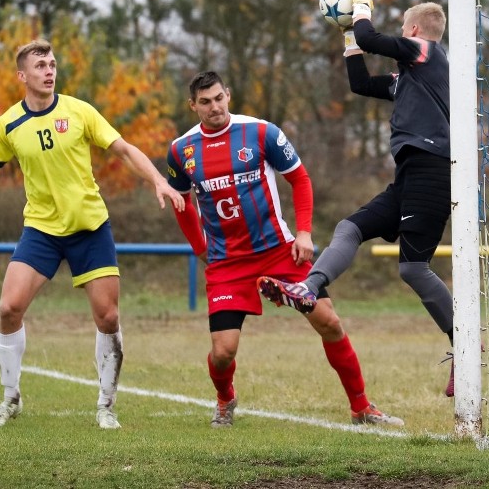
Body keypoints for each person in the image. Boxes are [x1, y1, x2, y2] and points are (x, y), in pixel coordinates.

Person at [0, 39, 185, 429]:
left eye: (53, 64)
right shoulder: (9, 124)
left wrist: (158, 181)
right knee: (9, 308)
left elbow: (124, 150)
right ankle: (10, 399)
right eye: (40, 65)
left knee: (108, 317)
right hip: (41, 230)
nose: (49, 70)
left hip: (90, 228)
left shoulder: (79, 111)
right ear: (22, 76)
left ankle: (105, 405)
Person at [166, 70, 403, 428]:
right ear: (192, 105)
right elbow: (182, 204)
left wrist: (304, 234)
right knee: (223, 352)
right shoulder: (181, 150)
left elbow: (300, 179)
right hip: (227, 263)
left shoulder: (261, 132)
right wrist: (199, 247)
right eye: (204, 102)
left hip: (280, 251)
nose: (214, 107)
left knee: (330, 322)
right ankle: (225, 398)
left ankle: (361, 408)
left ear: (228, 95)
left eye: (218, 98)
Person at [259, 0, 459, 397]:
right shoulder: (409, 77)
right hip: (408, 176)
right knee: (350, 227)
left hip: (432, 171)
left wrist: (362, 7)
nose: (402, 37)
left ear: (415, 31)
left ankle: (466, 346)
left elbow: (372, 38)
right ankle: (308, 289)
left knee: (413, 268)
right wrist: (349, 33)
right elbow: (359, 83)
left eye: (404, 30)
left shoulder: (428, 54)